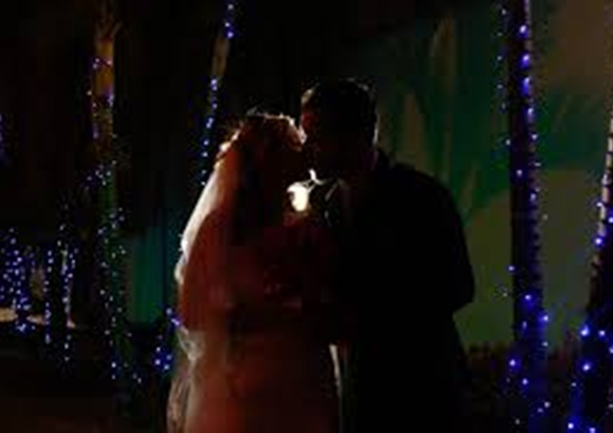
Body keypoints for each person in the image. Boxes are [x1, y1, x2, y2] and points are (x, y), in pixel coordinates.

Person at [299, 78, 476, 431]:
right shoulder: (326, 206)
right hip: (362, 394)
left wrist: (364, 321)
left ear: (356, 135)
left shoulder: (421, 196)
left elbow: (458, 286)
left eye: (316, 137)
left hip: (425, 391)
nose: (306, 150)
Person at [168, 113, 340, 433]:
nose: (305, 150)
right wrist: (271, 315)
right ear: (270, 160)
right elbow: (191, 313)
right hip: (250, 379)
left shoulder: (306, 224)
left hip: (305, 375)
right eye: (295, 144)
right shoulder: (220, 228)